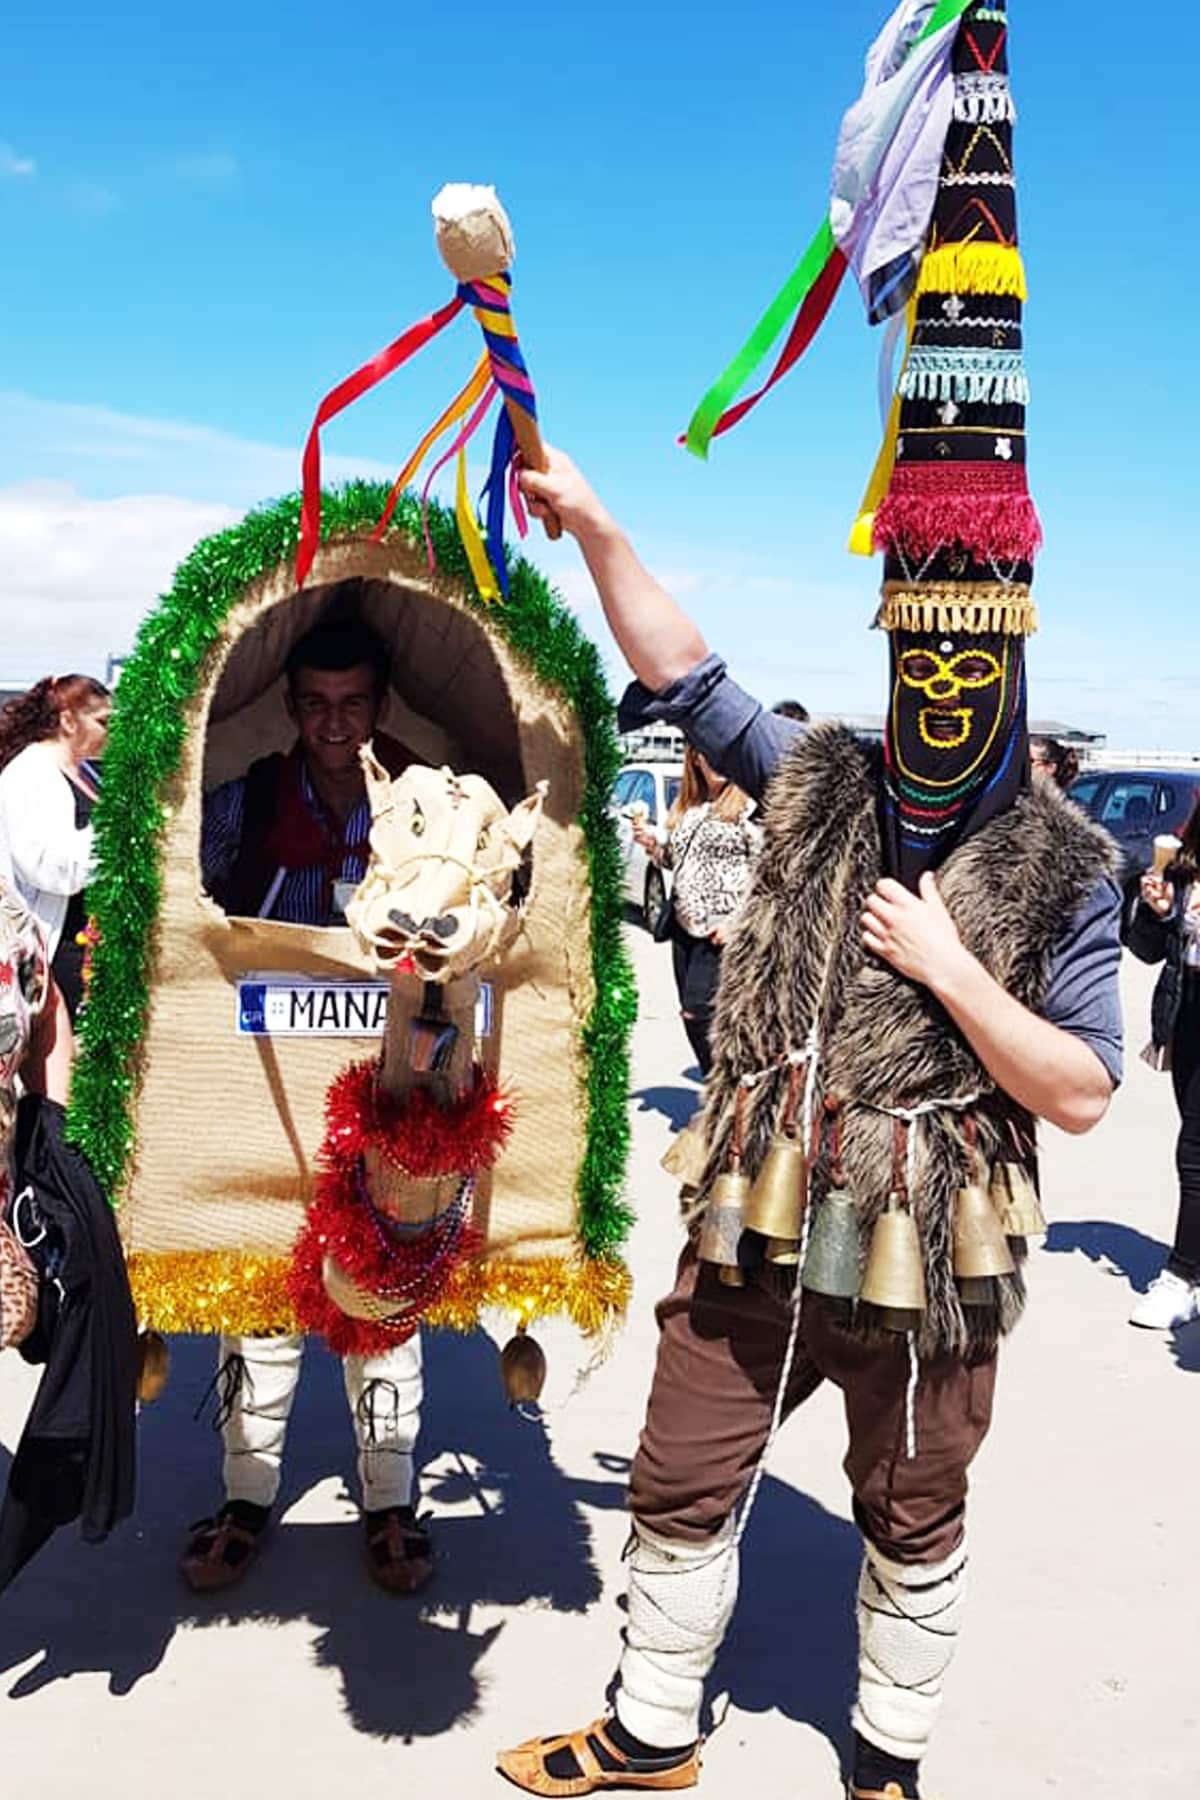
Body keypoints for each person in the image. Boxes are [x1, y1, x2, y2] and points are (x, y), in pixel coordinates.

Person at [498, 10, 1122, 1795]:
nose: (937, 681)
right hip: (761, 1210)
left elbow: (1082, 1090)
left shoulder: (1069, 865)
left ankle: (890, 1758)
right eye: (912, 643)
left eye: (966, 652)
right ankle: (653, 1731)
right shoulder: (824, 775)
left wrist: (947, 968)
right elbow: (691, 678)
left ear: (1010, 656)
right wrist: (602, 520)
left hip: (941, 1249)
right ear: (892, 636)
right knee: (692, 1467)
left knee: (915, 1506)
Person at [181, 611, 433, 1595]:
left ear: (381, 705)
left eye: (355, 704)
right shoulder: (243, 806)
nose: (337, 724)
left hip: (390, 1094)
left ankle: (390, 1501)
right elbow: (184, 924)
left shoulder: (429, 805)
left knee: (383, 1305)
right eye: (318, 705)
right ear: (292, 706)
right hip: (265, 1089)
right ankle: (244, 1497)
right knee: (258, 1306)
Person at [633, 746, 760, 1077]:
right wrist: (653, 846)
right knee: (695, 1014)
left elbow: (770, 874)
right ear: (695, 759)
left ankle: (725, 1086)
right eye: (707, 754)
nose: (716, 762)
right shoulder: (689, 808)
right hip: (684, 929)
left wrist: (738, 923)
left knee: (698, 1012)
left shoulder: (749, 807)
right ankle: (724, 1089)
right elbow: (675, 861)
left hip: (720, 934)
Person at [1124, 795, 1200, 1329]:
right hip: (1190, 1015)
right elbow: (1148, 950)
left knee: (1195, 1151)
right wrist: (1157, 912)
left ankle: (1181, 1274)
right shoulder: (1185, 864)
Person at [0, 675, 111, 1024]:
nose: (110, 732)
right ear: (67, 720)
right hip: (47, 947)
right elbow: (46, 867)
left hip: (80, 941)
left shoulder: (84, 773)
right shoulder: (30, 774)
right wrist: (110, 831)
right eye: (103, 722)